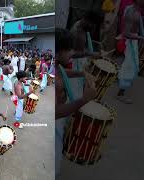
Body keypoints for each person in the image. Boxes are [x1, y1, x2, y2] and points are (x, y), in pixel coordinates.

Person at [56, 29, 96, 179]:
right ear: (59, 52)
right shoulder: (56, 82)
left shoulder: (57, 65)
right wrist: (83, 100)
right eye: (69, 50)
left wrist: (81, 73)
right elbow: (56, 112)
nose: (72, 53)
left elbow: (63, 72)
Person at [117, 0, 144, 104]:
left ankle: (119, 79)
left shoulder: (136, 11)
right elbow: (126, 33)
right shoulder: (132, 12)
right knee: (129, 67)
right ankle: (120, 94)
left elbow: (138, 22)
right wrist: (140, 38)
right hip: (131, 42)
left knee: (128, 66)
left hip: (133, 41)